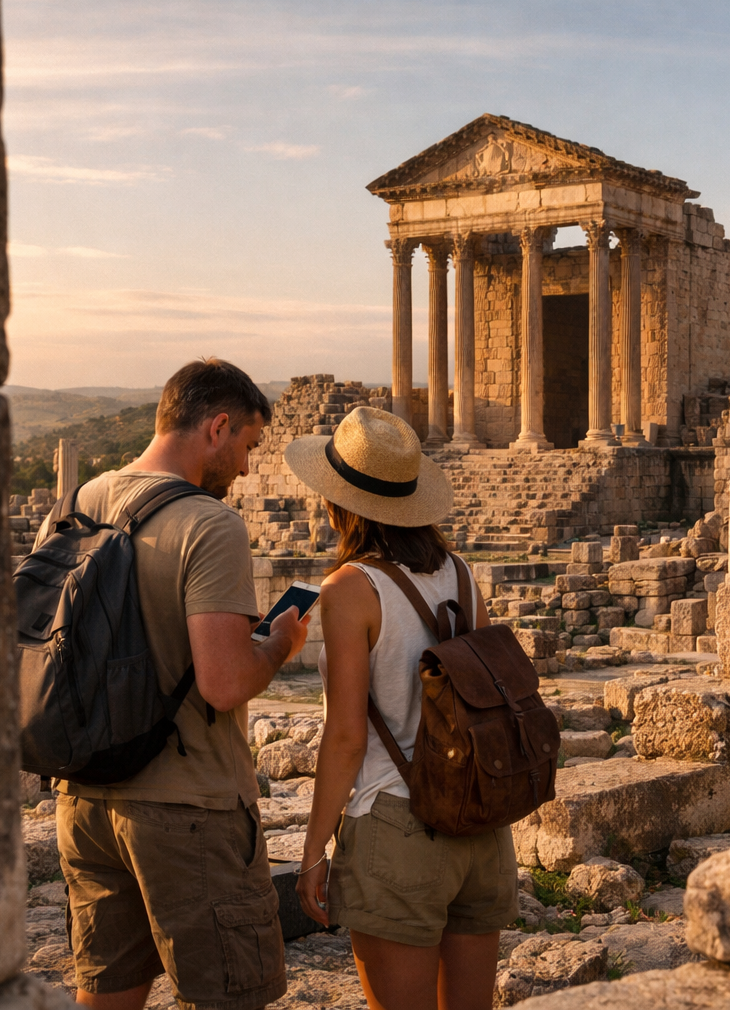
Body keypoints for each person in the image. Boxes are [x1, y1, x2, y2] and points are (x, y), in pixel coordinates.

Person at [42, 358, 307, 1010]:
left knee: (106, 994)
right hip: (186, 810)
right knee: (227, 995)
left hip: (85, 799)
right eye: (247, 446)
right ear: (217, 427)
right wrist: (275, 647)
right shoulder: (210, 526)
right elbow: (222, 683)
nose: (247, 467)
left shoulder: (76, 504)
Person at [284, 406, 517, 1010]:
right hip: (480, 821)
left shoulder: (349, 591)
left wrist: (313, 854)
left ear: (340, 504)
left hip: (397, 823)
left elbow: (344, 738)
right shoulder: (463, 575)